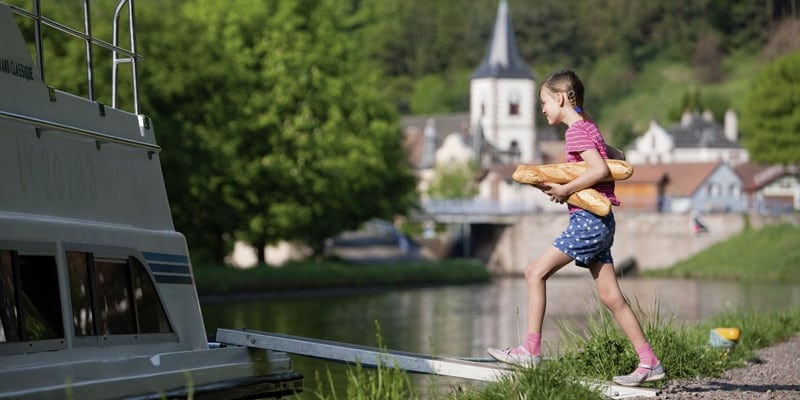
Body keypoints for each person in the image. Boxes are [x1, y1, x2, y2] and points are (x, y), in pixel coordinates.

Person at [486, 70, 665, 387]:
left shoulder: (575, 133)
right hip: (602, 222)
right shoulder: (589, 127)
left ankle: (530, 350)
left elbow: (597, 169)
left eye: (543, 102)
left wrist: (567, 190)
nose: (542, 109)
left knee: (534, 273)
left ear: (560, 98)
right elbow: (616, 158)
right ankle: (649, 361)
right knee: (612, 297)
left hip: (588, 221)